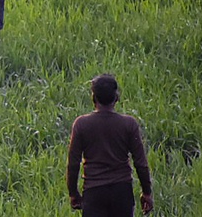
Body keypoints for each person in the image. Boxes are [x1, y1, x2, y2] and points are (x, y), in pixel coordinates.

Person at [66, 74, 154, 215]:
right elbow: (140, 163)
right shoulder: (128, 124)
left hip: (94, 193)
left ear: (93, 97)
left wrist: (73, 193)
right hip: (122, 192)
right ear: (116, 97)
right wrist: (147, 193)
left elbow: (73, 163)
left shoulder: (81, 124)